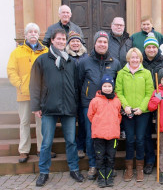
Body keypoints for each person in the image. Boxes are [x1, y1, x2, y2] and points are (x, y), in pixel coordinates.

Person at [30, 29, 84, 186]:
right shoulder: (42, 60)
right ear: (52, 41)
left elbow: (76, 86)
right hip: (48, 107)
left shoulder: (71, 62)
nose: (61, 41)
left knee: (71, 141)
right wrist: (36, 106)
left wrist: (75, 104)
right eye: (58, 39)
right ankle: (44, 172)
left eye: (63, 39)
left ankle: (74, 169)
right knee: (46, 142)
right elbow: (34, 85)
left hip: (68, 108)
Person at [79, 30, 121, 180]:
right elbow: (79, 82)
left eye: (105, 42)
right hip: (90, 105)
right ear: (95, 43)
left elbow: (118, 83)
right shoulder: (85, 61)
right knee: (93, 137)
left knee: (109, 138)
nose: (102, 44)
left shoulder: (115, 62)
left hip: (109, 106)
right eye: (99, 41)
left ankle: (108, 167)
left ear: (108, 44)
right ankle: (93, 165)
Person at [7, 23, 52, 163]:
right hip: (24, 93)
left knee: (41, 122)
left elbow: (50, 71)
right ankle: (24, 150)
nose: (33, 34)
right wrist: (19, 84)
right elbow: (11, 70)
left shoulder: (45, 51)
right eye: (30, 32)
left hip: (40, 94)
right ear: (25, 35)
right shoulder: (17, 52)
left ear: (38, 35)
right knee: (25, 122)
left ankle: (41, 149)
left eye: (35, 32)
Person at [115, 47, 154, 182]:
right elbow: (118, 91)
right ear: (128, 59)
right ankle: (129, 168)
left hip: (142, 113)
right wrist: (125, 106)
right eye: (132, 57)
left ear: (140, 59)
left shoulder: (146, 73)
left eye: (137, 57)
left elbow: (150, 92)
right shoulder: (122, 73)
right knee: (130, 139)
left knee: (140, 139)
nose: (135, 59)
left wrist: (141, 108)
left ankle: (139, 168)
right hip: (127, 112)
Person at [142, 34, 163, 175]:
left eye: (154, 47)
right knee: (147, 133)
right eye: (149, 47)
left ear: (157, 48)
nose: (151, 49)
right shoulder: (140, 61)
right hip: (146, 101)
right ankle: (150, 160)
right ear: (145, 49)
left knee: (162, 132)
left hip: (162, 102)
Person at [87, 75, 122, 188]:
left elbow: (119, 116)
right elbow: (90, 115)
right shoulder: (95, 101)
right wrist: (98, 124)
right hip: (99, 135)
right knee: (100, 157)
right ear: (101, 87)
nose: (107, 88)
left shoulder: (117, 101)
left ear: (113, 87)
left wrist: (114, 124)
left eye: (109, 86)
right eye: (105, 86)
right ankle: (102, 177)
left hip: (113, 134)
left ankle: (109, 177)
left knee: (111, 157)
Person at [66, 31, 88, 159]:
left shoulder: (86, 57)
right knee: (70, 124)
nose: (75, 43)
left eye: (77, 41)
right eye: (73, 41)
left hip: (83, 95)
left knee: (83, 123)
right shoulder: (65, 57)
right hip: (69, 96)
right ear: (69, 44)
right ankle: (72, 147)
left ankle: (81, 146)